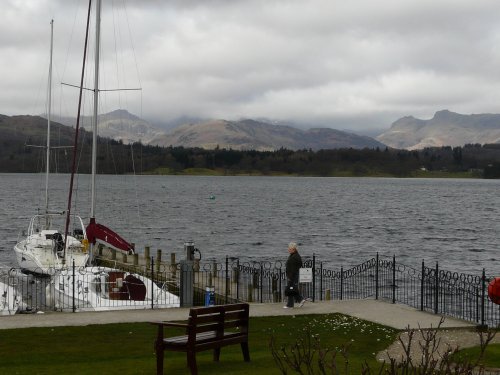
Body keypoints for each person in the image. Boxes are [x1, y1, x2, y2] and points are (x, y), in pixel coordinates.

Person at [284, 242, 307, 308]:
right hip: (293, 276)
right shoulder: (295, 255)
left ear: (293, 249)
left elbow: (293, 269)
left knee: (290, 289)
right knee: (292, 289)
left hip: (292, 276)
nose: (288, 249)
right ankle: (299, 300)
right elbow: (299, 265)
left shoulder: (294, 257)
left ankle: (291, 304)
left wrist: (290, 277)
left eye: (290, 248)